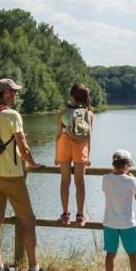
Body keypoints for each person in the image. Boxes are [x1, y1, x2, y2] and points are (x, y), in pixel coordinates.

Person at [0, 78, 58, 271]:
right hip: (11, 176)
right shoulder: (12, 115)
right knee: (28, 220)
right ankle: (34, 270)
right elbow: (23, 146)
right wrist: (32, 163)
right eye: (14, 91)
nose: (16, 95)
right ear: (6, 93)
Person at [101, 149, 136, 271]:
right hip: (127, 223)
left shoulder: (105, 178)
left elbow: (106, 188)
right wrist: (131, 178)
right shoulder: (131, 180)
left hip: (109, 223)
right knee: (132, 254)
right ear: (127, 164)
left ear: (113, 164)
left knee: (110, 253)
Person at [54, 83, 94, 226]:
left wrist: (56, 155)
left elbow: (58, 135)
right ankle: (80, 216)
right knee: (80, 182)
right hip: (80, 147)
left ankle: (65, 215)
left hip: (64, 145)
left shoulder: (63, 113)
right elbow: (88, 137)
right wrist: (87, 156)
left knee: (65, 181)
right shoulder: (89, 114)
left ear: (71, 96)